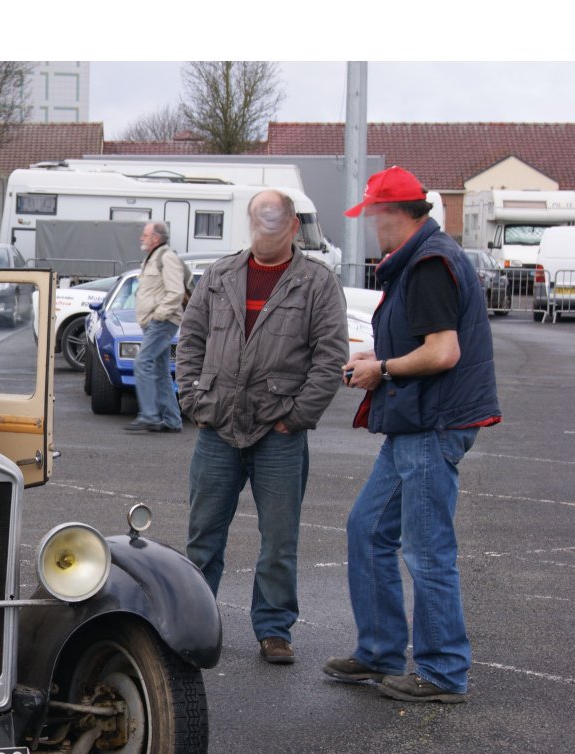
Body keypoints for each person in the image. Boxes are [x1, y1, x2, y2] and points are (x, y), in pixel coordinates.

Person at [326, 166, 501, 703]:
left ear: (395, 214)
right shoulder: (425, 257)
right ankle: (379, 651)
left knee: (427, 551)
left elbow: (443, 351)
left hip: (431, 423)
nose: (370, 226)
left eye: (373, 215)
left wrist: (384, 369)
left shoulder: (427, 262)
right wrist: (380, 359)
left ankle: (443, 671)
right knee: (367, 528)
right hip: (419, 423)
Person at [176, 189, 348, 664]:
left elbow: (331, 356)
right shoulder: (220, 275)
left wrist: (296, 417)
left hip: (279, 435)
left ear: (293, 227)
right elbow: (190, 338)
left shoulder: (316, 282)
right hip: (218, 428)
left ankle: (274, 629)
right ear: (249, 224)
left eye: (274, 224)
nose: (265, 232)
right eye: (258, 222)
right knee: (203, 535)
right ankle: (196, 623)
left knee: (279, 539)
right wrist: (192, 398)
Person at [126, 221, 186, 433]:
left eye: (145, 234)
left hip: (162, 321)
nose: (141, 238)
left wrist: (158, 316)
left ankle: (149, 415)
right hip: (154, 322)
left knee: (142, 362)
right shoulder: (151, 259)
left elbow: (176, 292)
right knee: (160, 370)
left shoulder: (167, 258)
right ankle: (172, 420)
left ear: (156, 238)